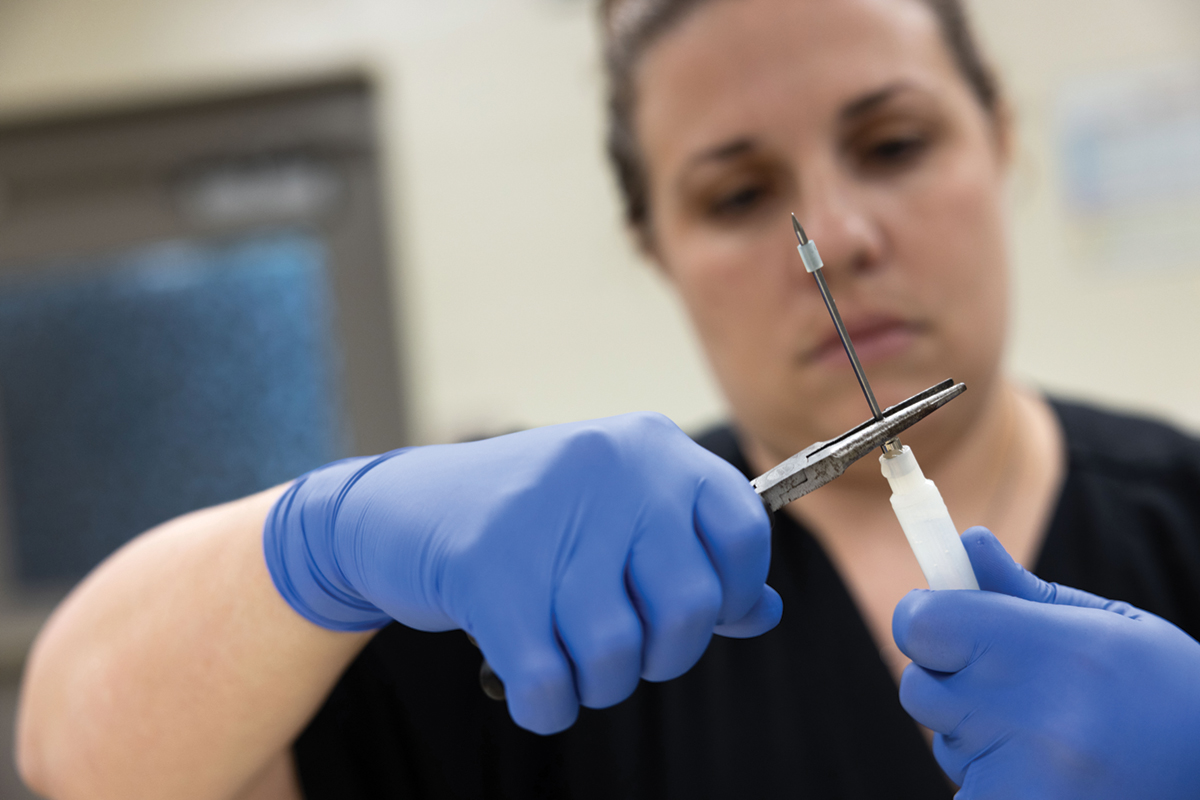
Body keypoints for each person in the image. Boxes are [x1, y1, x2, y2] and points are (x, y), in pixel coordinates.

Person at [14, 0, 1200, 798]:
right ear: (654, 246)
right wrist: (323, 543)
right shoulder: (590, 604)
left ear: (997, 135)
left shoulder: (1180, 521)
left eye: (892, 143)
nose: (835, 237)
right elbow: (78, 754)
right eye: (738, 196)